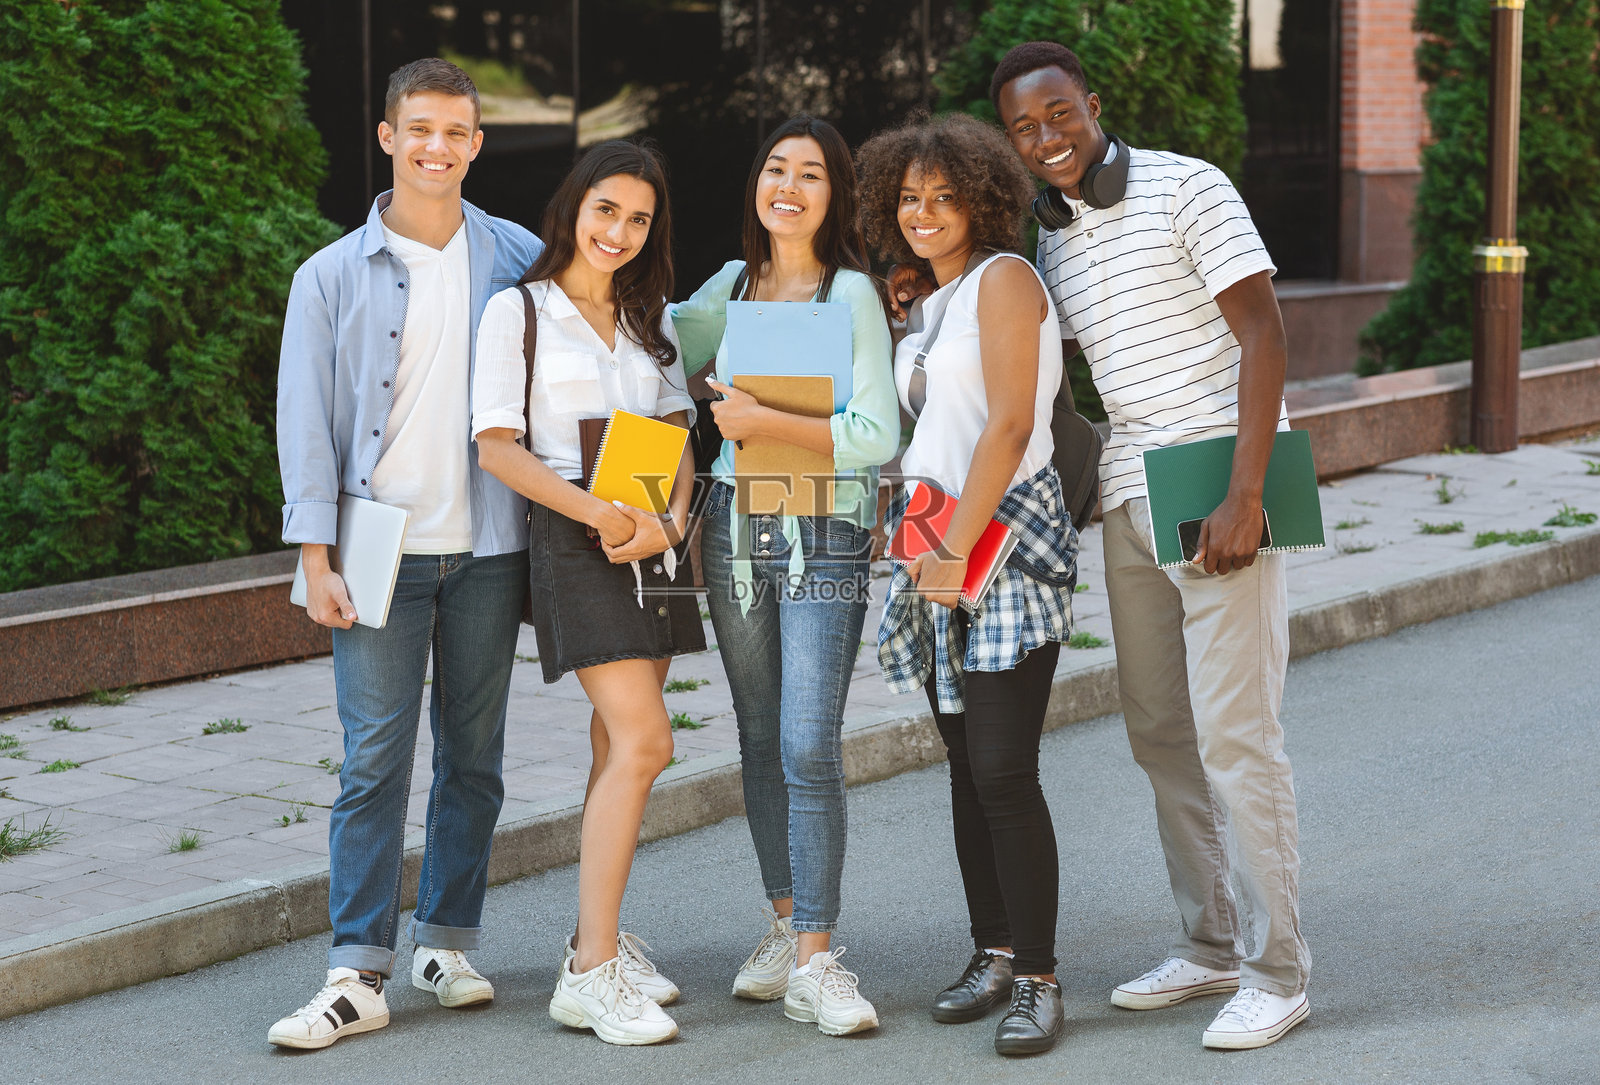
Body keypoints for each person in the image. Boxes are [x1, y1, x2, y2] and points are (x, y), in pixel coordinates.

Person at [991, 41, 1311, 1050]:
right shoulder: (1055, 239)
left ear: (1093, 102)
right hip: (1130, 494)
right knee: (1160, 731)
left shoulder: (1188, 186)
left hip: (1217, 479)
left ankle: (1279, 968)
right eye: (1023, 128)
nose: (1045, 139)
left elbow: (1264, 335)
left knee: (1235, 733)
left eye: (1058, 115)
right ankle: (1210, 939)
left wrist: (1246, 491)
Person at [270, 58, 542, 1049]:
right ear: (387, 137)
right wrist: (314, 554)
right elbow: (304, 421)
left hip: (488, 545)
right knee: (373, 757)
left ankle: (447, 939)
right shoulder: (330, 274)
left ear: (476, 144)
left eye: (456, 132)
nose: (437, 147)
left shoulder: (520, 254)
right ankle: (356, 966)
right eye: (418, 129)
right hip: (377, 550)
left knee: (475, 757)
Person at [856, 111, 1080, 1058]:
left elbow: (1009, 426)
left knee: (1002, 766)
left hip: (1003, 541)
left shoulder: (1005, 279)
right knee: (962, 765)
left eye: (945, 197)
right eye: (909, 198)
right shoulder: (928, 300)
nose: (924, 212)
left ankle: (1038, 976)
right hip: (933, 545)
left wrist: (953, 539)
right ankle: (991, 950)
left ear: (983, 200)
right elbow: (932, 434)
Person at [670, 114, 899, 1036]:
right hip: (733, 523)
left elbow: (880, 436)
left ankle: (818, 956)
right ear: (757, 187)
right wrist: (716, 406)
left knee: (809, 738)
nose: (790, 186)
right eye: (775, 169)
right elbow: (669, 361)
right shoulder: (726, 288)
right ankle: (781, 921)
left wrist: (762, 418)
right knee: (760, 733)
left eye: (811, 173)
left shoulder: (852, 294)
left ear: (834, 194)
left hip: (826, 529)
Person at [472, 138, 704, 1046]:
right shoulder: (517, 313)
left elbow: (682, 434)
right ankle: (590, 970)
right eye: (605, 209)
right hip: (580, 537)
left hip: (655, 536)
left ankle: (597, 931)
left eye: (638, 219)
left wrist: (671, 523)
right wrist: (600, 514)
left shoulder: (654, 318)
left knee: (617, 742)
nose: (618, 231)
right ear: (573, 207)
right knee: (649, 741)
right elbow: (497, 447)